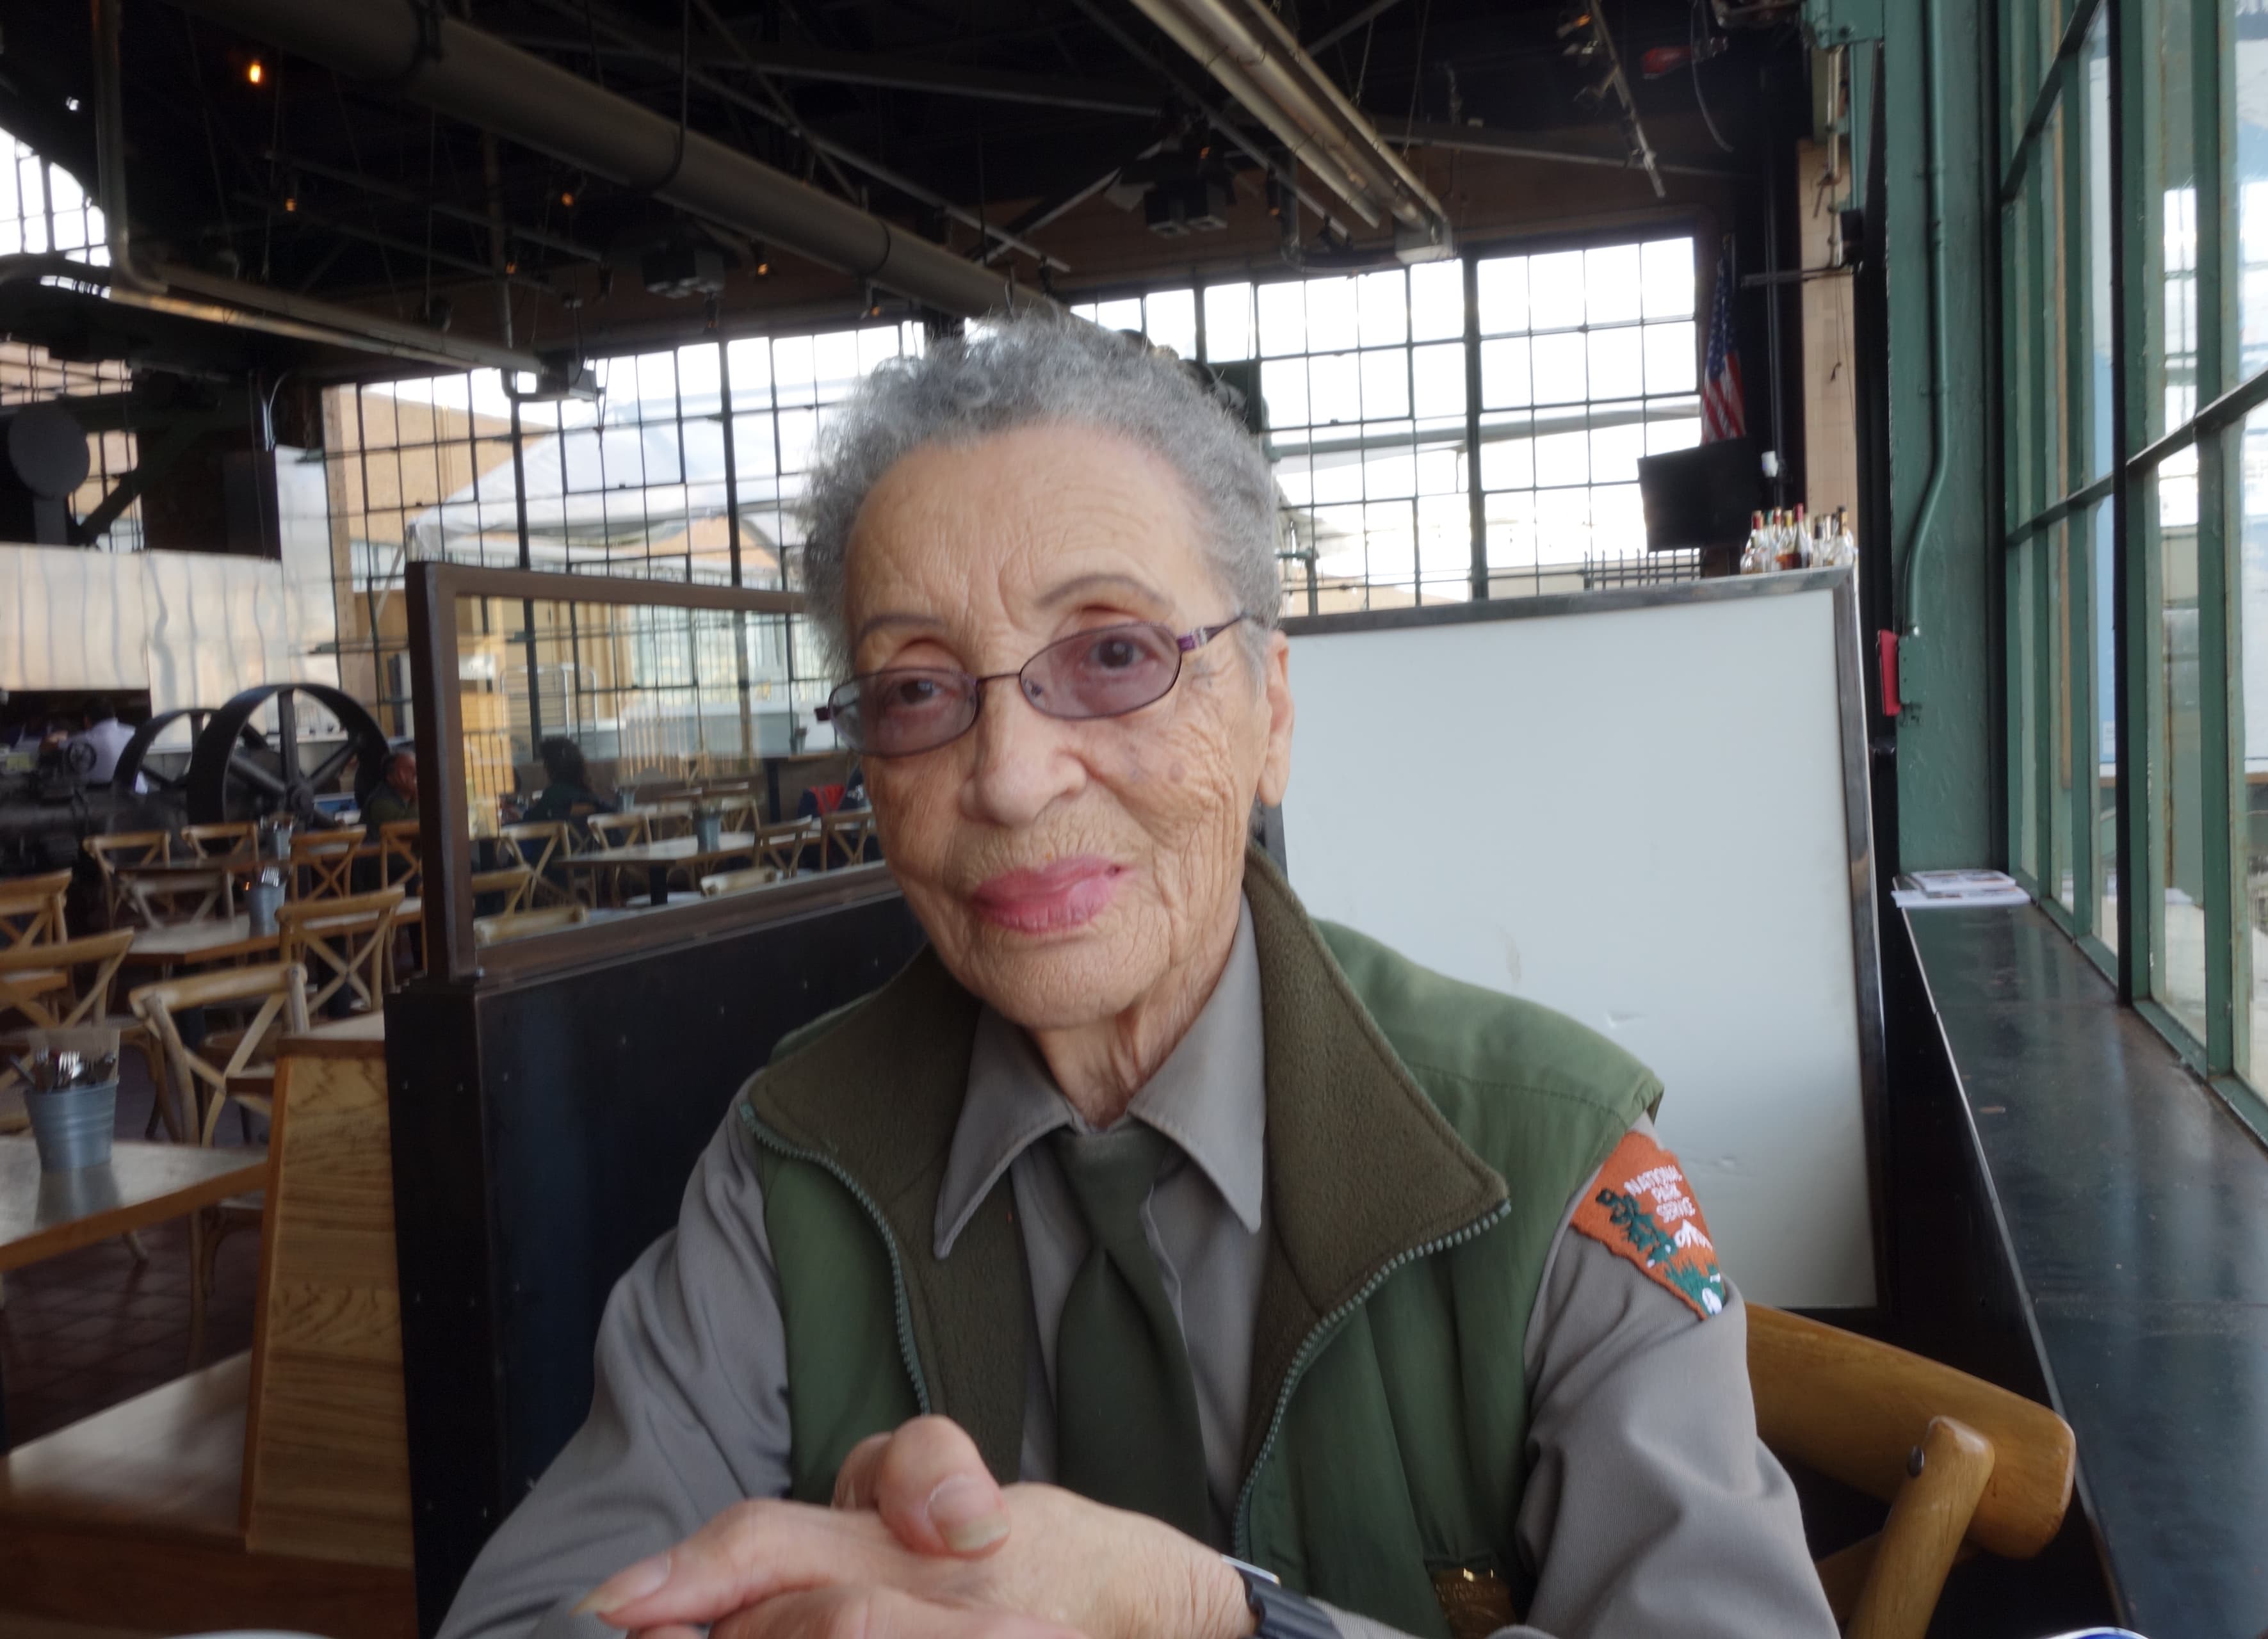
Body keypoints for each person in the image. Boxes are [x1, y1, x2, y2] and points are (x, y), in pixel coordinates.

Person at [441, 316, 1836, 1639]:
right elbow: (534, 1608)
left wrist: (1220, 1617)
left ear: (1270, 712)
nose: (1005, 774)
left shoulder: (1546, 1156)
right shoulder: (791, 1165)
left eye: (1112, 654)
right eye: (918, 690)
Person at [523, 737, 610, 827]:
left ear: (552, 767)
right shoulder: (588, 794)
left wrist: (520, 815)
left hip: (557, 840)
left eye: (546, 763)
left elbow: (534, 818)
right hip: (592, 840)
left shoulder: (554, 793)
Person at [362, 746, 419, 827]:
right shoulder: (381, 803)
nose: (416, 773)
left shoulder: (408, 797)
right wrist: (416, 796)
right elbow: (407, 829)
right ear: (391, 777)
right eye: (409, 769)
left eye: (417, 768)